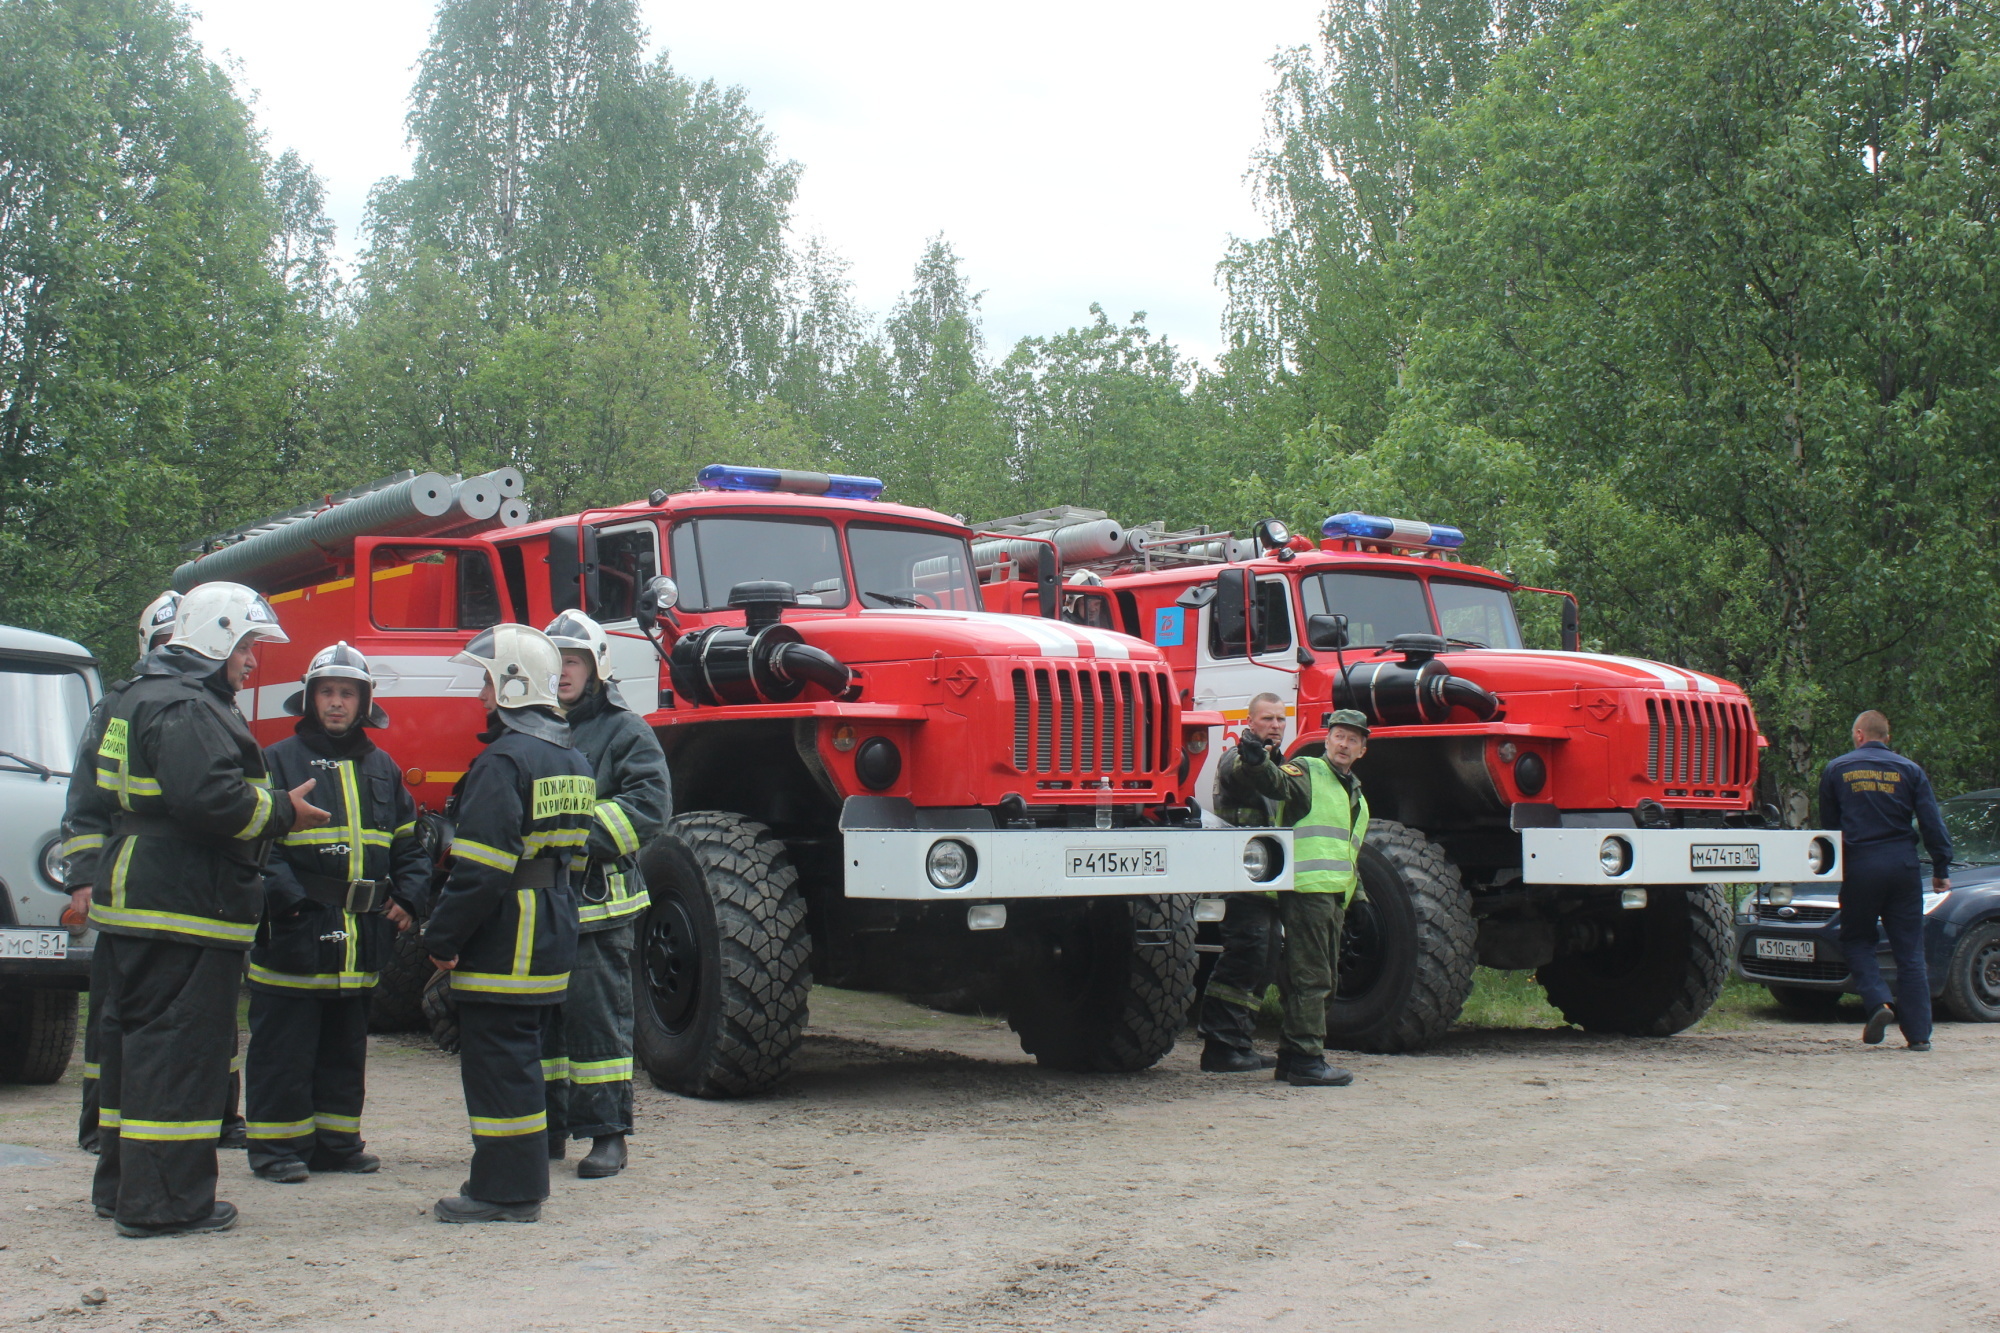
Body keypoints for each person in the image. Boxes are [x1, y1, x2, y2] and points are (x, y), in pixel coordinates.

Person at [67, 582, 329, 1237]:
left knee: (134, 1054)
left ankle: (124, 1187)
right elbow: (211, 800)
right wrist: (282, 811)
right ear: (214, 637)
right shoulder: (187, 705)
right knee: (179, 1057)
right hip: (183, 907)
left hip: (141, 902)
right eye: (244, 645)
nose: (250, 660)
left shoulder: (133, 697)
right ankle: (165, 1204)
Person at [422, 623, 595, 1223]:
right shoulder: (573, 757)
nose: (481, 697)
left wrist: (441, 938)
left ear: (512, 685)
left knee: (499, 1069)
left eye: (488, 683)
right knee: (519, 1062)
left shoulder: (502, 761)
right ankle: (517, 1184)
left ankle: (504, 1192)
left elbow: (481, 873)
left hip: (505, 938)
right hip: (551, 929)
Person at [243, 642, 431, 1183]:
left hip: (360, 938)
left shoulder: (384, 767)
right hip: (295, 930)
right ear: (308, 697)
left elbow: (409, 846)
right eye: (327, 692)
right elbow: (260, 846)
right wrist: (291, 904)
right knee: (284, 1048)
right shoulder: (276, 759)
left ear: (364, 701)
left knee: (345, 1049)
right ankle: (276, 1150)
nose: (336, 703)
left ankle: (336, 1143)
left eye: (347, 693)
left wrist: (411, 899)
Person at [542, 611, 669, 1179]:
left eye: (572, 661)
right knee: (542, 1025)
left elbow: (650, 808)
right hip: (540, 906)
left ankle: (608, 1135)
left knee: (598, 1023)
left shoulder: (625, 730)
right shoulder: (532, 725)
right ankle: (546, 1130)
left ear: (596, 668)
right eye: (555, 661)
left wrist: (571, 836)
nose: (562, 672)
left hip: (599, 905)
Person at [65, 591, 183, 1154]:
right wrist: (85, 878)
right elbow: (91, 798)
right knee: (116, 1014)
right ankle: (102, 1125)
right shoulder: (118, 710)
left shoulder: (214, 707)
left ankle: (218, 1115)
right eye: (165, 644)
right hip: (126, 887)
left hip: (188, 893)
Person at [1205, 701, 1370, 1088]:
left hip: (1308, 890)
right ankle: (1282, 1054)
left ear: (1363, 750)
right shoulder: (1299, 769)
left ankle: (1250, 1048)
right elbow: (1266, 780)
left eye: (1353, 740)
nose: (1344, 745)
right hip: (1260, 878)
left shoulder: (1355, 796)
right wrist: (1255, 759)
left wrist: (1358, 897)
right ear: (1326, 740)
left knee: (1282, 965)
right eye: (1339, 737)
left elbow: (1349, 848)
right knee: (1279, 964)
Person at [1818, 710, 1951, 1051]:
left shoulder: (1837, 769)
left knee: (1857, 940)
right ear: (1886, 738)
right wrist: (1941, 868)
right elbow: (1931, 822)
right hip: (1902, 866)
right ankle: (1919, 1035)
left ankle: (1878, 1003)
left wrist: (1832, 870)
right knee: (1909, 950)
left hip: (1861, 866)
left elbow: (1830, 829)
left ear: (1859, 734)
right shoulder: (1910, 770)